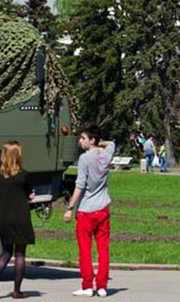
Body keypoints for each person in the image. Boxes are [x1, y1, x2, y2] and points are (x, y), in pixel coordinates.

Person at [64, 125, 115, 298]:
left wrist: (70, 208)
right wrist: (100, 143)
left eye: (83, 138)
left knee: (85, 250)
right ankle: (102, 286)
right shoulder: (107, 154)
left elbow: (80, 186)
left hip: (86, 210)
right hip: (103, 208)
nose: (79, 141)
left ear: (92, 140)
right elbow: (111, 143)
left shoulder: (85, 159)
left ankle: (87, 285)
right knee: (103, 250)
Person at [0, 141, 35, 299]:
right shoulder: (23, 176)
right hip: (20, 217)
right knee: (20, 254)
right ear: (18, 156)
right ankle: (17, 291)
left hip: (3, 216)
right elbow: (30, 194)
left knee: (6, 252)